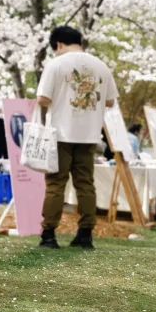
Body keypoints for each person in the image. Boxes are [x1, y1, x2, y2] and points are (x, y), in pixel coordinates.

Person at [36, 25, 118, 250]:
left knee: (55, 184)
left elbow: (43, 98)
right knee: (85, 185)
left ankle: (49, 234)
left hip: (60, 133)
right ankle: (85, 234)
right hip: (90, 134)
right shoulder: (101, 65)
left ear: (59, 44)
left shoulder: (56, 64)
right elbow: (110, 102)